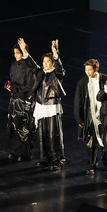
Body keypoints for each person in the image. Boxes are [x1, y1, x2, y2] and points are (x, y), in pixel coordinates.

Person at [32, 40, 65, 171]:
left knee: (53, 134)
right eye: (44, 62)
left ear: (52, 63)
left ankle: (57, 159)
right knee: (42, 134)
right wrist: (25, 52)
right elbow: (32, 65)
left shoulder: (56, 73)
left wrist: (55, 54)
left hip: (51, 106)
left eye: (48, 62)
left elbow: (60, 69)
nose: (45, 64)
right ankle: (45, 158)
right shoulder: (41, 73)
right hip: (41, 105)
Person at [5, 38, 39, 162]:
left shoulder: (29, 67)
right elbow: (12, 78)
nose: (15, 56)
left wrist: (14, 87)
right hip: (15, 98)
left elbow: (29, 85)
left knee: (23, 126)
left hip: (24, 100)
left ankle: (25, 153)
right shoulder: (14, 65)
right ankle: (16, 150)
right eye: (15, 53)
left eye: (18, 53)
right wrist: (9, 85)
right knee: (14, 124)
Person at [74, 59, 106, 175]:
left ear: (96, 69)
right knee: (91, 142)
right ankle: (92, 164)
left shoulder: (104, 80)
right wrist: (80, 119)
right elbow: (78, 101)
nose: (87, 72)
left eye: (90, 69)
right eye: (86, 69)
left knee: (105, 139)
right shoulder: (82, 82)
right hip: (90, 116)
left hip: (103, 115)